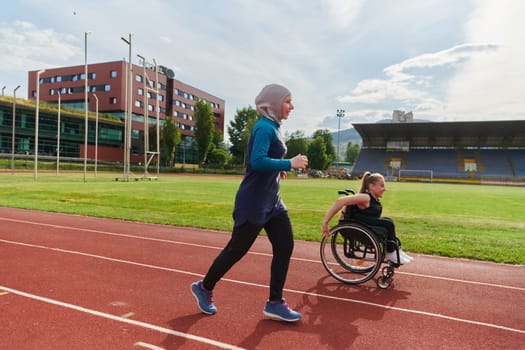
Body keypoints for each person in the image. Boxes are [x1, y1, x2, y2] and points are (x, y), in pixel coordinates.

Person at [191, 83, 308, 322]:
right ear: (274, 103)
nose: (292, 106)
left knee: (285, 245)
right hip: (254, 202)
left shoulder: (272, 127)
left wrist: (277, 170)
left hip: (273, 202)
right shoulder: (264, 127)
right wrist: (288, 163)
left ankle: (275, 302)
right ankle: (204, 287)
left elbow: (255, 159)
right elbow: (256, 161)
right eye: (287, 101)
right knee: (236, 250)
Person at [321, 171, 413, 264]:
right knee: (388, 223)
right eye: (382, 186)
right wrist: (325, 222)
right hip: (353, 225)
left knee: (388, 221)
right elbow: (340, 201)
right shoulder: (366, 197)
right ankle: (390, 253)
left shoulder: (374, 199)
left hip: (363, 222)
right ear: (372, 186)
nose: (384, 189)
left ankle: (395, 250)